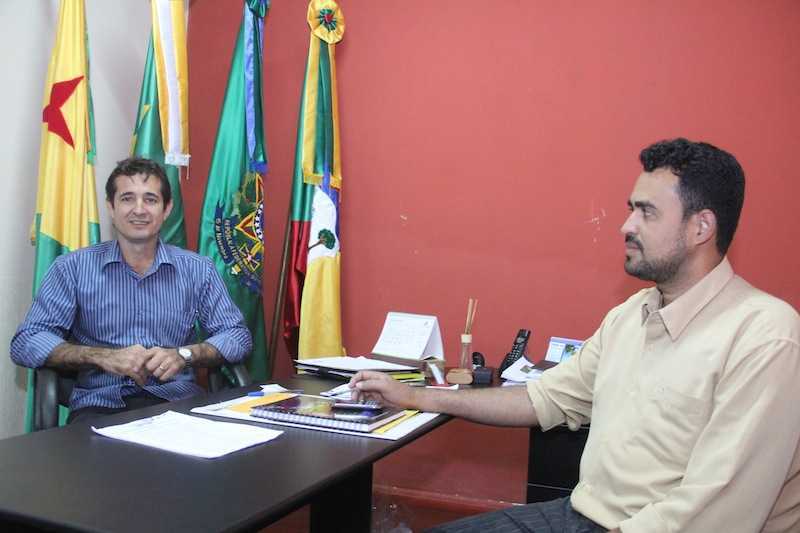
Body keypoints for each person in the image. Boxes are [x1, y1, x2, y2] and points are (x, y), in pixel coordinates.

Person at [350, 139, 800, 533]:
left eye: (646, 212)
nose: (626, 226)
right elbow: (541, 398)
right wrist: (419, 397)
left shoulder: (765, 337)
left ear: (701, 227)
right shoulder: (631, 315)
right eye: (631, 209)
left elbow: (716, 514)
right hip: (581, 515)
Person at [11, 157, 252, 424]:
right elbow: (27, 340)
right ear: (111, 207)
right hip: (100, 407)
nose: (139, 209)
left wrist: (185, 354)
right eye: (127, 198)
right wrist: (102, 357)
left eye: (150, 199)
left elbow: (237, 336)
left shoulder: (198, 269)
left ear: (167, 209)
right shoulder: (72, 268)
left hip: (178, 405)